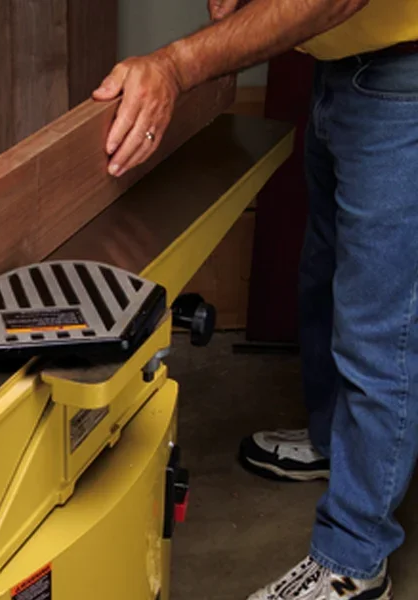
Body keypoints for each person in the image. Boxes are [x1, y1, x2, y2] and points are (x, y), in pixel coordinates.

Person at [92, 1, 418, 598]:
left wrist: (177, 65)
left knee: (381, 331)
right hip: (343, 65)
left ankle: (354, 558)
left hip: (405, 76)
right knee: (326, 277)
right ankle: (331, 442)